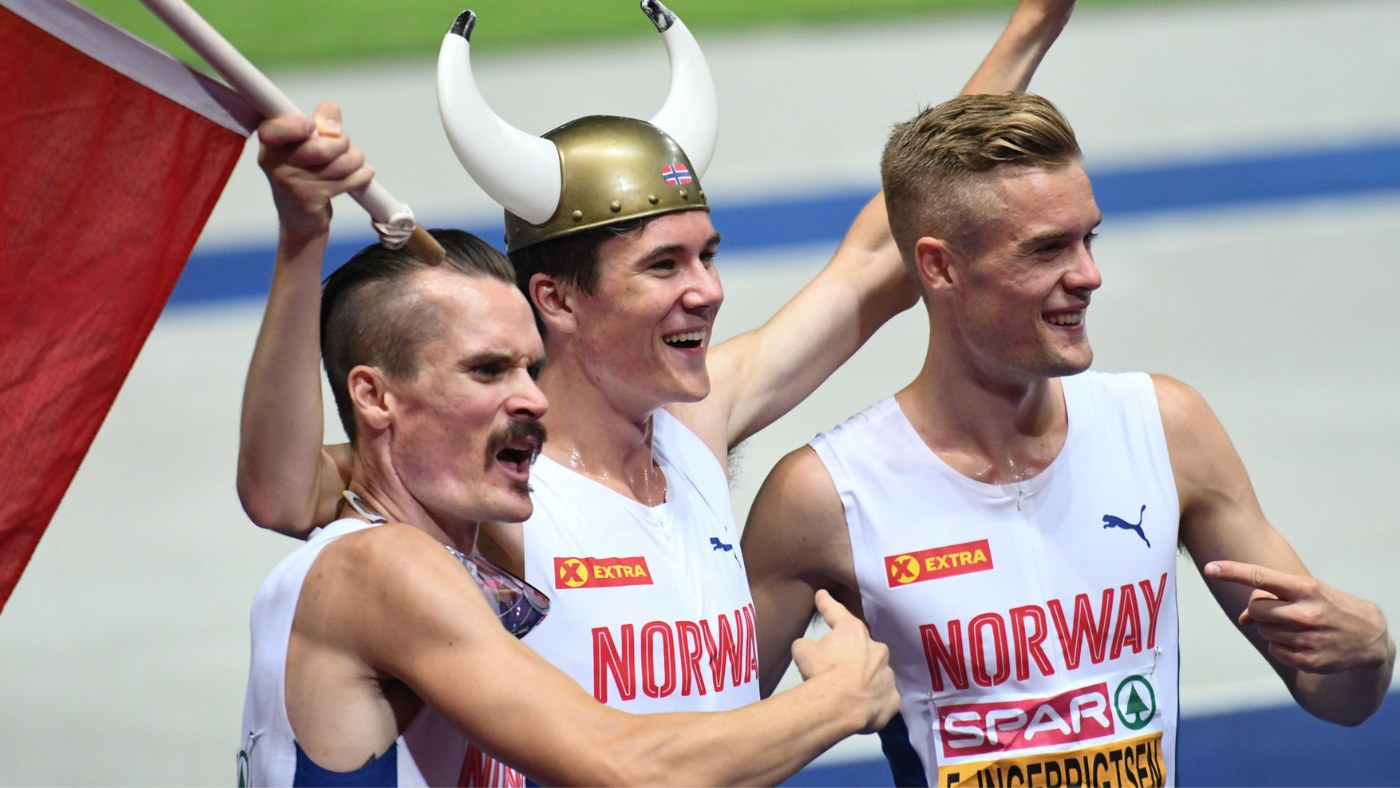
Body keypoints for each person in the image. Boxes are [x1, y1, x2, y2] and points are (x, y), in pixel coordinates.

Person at [238, 0, 1076, 718]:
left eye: (707, 255)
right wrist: (299, 240)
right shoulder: (484, 479)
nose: (708, 292)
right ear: (557, 301)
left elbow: (873, 262)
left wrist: (1033, 25)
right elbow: (283, 493)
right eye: (664, 265)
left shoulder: (694, 428)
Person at [740, 91, 1397, 786]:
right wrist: (823, 709)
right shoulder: (824, 496)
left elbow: (1339, 700)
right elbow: (701, 756)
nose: (1088, 275)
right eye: (1048, 249)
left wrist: (1369, 651)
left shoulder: (1166, 428)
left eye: (1090, 238)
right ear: (938, 267)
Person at [239, 113, 901, 785]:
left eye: (528, 367)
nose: (531, 398)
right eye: (489, 371)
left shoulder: (472, 515)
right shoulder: (387, 559)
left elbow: (877, 259)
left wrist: (1017, 33)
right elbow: (627, 769)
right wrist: (836, 701)